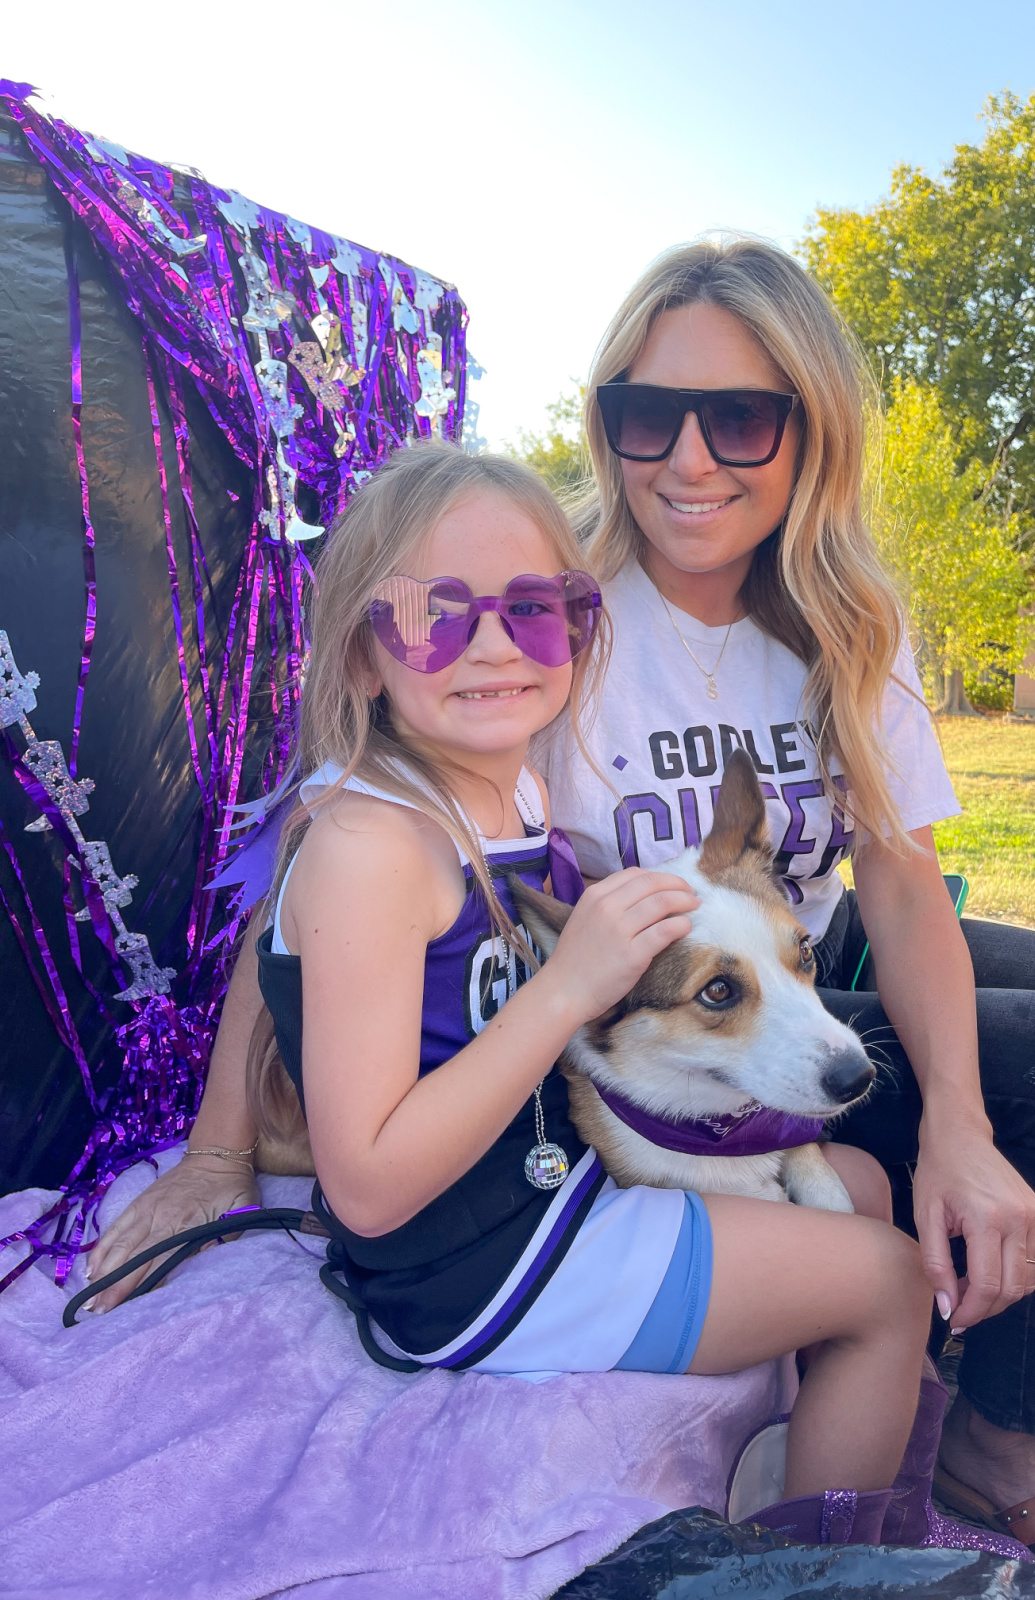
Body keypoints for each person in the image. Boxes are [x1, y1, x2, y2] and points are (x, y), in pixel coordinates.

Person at [91, 241, 1035, 1589]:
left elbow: (901, 881)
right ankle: (977, 1454)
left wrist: (956, 1129)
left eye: (739, 417)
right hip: (682, 1010)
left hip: (793, 950)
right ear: (603, 423)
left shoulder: (842, 621)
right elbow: (318, 907)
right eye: (643, 414)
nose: (688, 458)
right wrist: (219, 1151)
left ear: (813, 430)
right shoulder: (558, 636)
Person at [90, 438, 966, 1550]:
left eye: (536, 611)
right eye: (436, 614)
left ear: (578, 629)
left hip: (545, 1191)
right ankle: (819, 1568)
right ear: (365, 655)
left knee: (857, 1181)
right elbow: (366, 1185)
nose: (494, 646)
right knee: (885, 1284)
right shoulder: (372, 846)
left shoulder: (508, 797)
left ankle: (803, 1462)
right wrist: (564, 988)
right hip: (474, 1267)